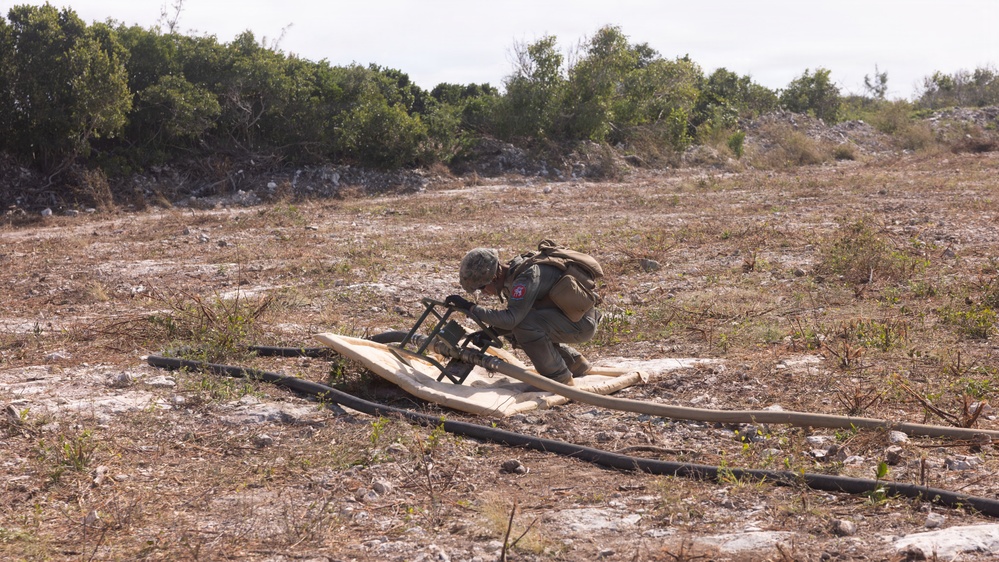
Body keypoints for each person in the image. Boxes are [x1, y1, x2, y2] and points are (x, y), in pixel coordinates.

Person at [444, 246, 601, 386]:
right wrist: (491, 332)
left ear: (494, 277)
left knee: (523, 327)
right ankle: (575, 364)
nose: (484, 293)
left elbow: (512, 320)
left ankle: (558, 379)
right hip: (568, 318)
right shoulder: (512, 276)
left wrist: (470, 308)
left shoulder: (524, 278)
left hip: (581, 324)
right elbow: (518, 315)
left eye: (482, 287)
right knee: (516, 331)